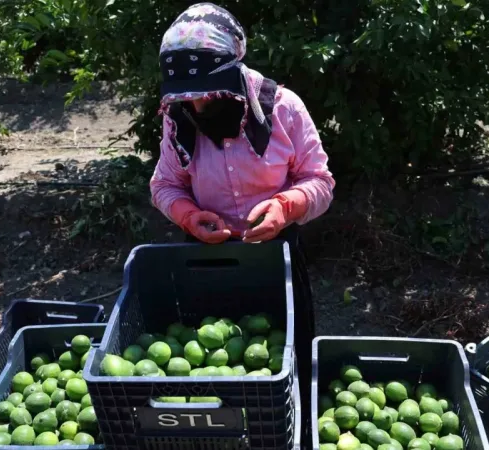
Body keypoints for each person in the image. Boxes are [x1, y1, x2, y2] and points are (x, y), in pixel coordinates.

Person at [149, 1, 335, 431]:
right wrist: (188, 216)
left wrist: (286, 206)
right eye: (186, 95)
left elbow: (320, 181)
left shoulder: (283, 108)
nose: (195, 105)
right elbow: (165, 185)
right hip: (205, 257)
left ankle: (288, 428)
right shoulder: (178, 117)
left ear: (233, 71)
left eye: (205, 92)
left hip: (275, 254)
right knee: (211, 362)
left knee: (284, 355)